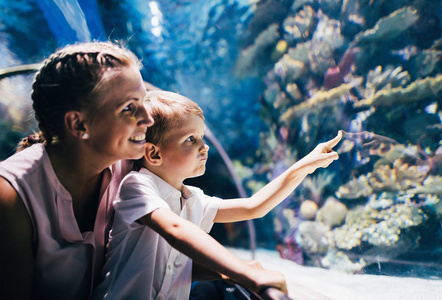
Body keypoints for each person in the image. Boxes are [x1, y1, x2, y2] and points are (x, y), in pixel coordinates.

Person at [92, 90, 342, 300]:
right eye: (191, 139)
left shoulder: (193, 199)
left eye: (202, 137)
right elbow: (176, 229)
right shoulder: (137, 186)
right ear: (154, 154)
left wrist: (306, 165)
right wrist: (246, 274)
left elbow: (254, 207)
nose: (205, 146)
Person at [0, 41, 155, 300]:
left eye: (144, 102)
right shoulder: (11, 196)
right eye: (129, 107)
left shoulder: (133, 165)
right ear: (77, 123)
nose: (148, 118)